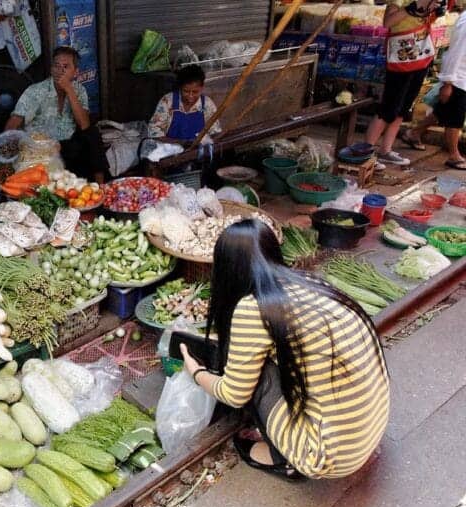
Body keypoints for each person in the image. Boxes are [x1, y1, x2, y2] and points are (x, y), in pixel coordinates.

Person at [181, 220, 390, 480]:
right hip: (369, 430)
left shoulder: (253, 307)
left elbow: (233, 394)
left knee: (256, 375)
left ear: (227, 270)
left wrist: (196, 372)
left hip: (330, 457)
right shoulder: (311, 283)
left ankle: (286, 458)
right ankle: (289, 433)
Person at [364, 0, 449, 168]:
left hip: (421, 57)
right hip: (400, 60)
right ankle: (365, 153)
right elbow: (388, 23)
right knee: (388, 108)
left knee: (403, 108)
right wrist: (412, 7)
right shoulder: (399, 1)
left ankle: (385, 150)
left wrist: (434, 11)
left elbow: (427, 20)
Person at [5, 46, 109, 182]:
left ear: (75, 72)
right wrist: (9, 148)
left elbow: (84, 124)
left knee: (92, 133)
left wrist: (69, 90)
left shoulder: (79, 90)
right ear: (51, 69)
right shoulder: (36, 91)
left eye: (66, 67)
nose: (60, 71)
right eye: (56, 66)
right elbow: (13, 123)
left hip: (68, 147)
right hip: (41, 149)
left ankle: (100, 188)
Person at [402, 6, 466, 170]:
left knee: (443, 111)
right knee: (455, 118)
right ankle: (453, 155)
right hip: (458, 77)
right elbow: (455, 53)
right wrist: (448, 82)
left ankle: (414, 133)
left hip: (461, 77)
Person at [148, 64, 221, 143]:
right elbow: (154, 132)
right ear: (180, 87)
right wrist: (179, 143)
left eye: (195, 92)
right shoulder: (168, 101)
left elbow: (215, 132)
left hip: (198, 150)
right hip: (171, 150)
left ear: (202, 88)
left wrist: (207, 141)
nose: (190, 96)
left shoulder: (207, 104)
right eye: (186, 91)